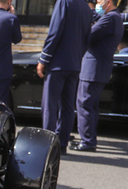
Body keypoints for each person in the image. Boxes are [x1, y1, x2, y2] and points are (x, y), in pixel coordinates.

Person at [71, 2, 128, 151]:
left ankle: (87, 142)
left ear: (108, 2)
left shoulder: (109, 19)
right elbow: (122, 15)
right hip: (99, 69)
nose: (97, 4)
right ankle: (88, 139)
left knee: (85, 105)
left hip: (93, 69)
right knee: (90, 106)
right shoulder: (114, 17)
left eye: (99, 1)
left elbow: (87, 37)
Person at [37, 0, 92, 154]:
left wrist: (43, 59)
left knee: (50, 105)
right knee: (68, 107)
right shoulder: (85, 7)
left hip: (58, 63)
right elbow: (87, 38)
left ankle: (47, 145)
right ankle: (62, 144)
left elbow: (54, 32)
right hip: (74, 64)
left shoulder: (64, 2)